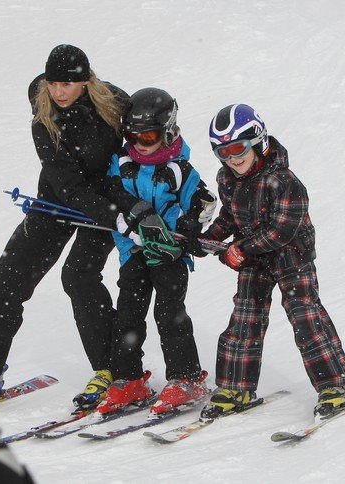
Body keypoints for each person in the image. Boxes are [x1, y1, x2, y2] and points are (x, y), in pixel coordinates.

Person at [0, 44, 147, 411]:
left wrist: (130, 204)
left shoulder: (114, 103)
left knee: (79, 276)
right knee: (9, 277)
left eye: (66, 84)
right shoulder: (44, 117)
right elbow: (68, 184)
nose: (58, 92)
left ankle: (111, 369)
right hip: (57, 201)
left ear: (84, 81)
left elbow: (149, 139)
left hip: (104, 203)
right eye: (52, 84)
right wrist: (107, 212)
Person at [198, 103, 345, 418]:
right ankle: (234, 388)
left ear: (258, 140)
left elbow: (282, 229)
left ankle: (335, 387)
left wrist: (241, 249)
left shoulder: (283, 180)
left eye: (237, 148)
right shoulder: (227, 177)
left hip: (290, 256)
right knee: (244, 319)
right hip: (255, 259)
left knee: (305, 318)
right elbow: (230, 216)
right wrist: (208, 238)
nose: (232, 158)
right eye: (222, 152)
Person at [96, 88, 217, 415]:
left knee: (169, 312)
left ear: (168, 130)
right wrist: (133, 218)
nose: (140, 143)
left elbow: (204, 202)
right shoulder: (120, 163)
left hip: (169, 253)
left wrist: (190, 227)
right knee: (128, 314)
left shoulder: (179, 168)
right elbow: (108, 191)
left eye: (148, 135)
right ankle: (128, 379)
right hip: (134, 252)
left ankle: (186, 378)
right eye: (132, 135)